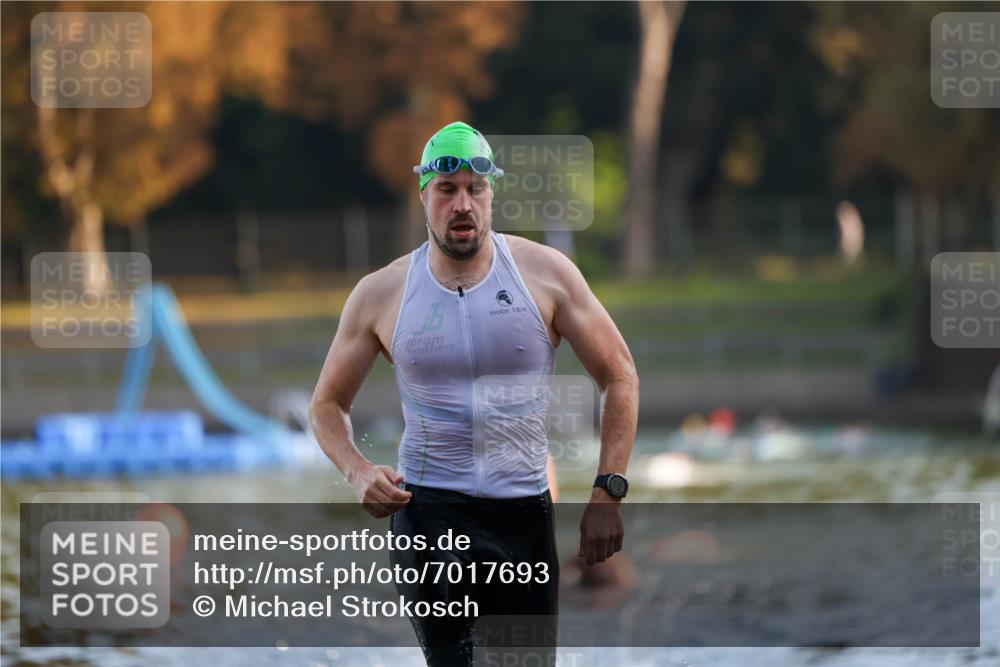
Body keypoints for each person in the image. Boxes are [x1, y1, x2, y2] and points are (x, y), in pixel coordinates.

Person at [310, 121, 639, 665]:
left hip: (522, 513)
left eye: (474, 189)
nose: (462, 204)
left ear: (491, 194)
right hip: (429, 511)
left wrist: (608, 492)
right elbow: (326, 405)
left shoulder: (546, 274)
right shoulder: (382, 292)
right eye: (447, 190)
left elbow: (620, 374)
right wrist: (358, 470)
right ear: (424, 195)